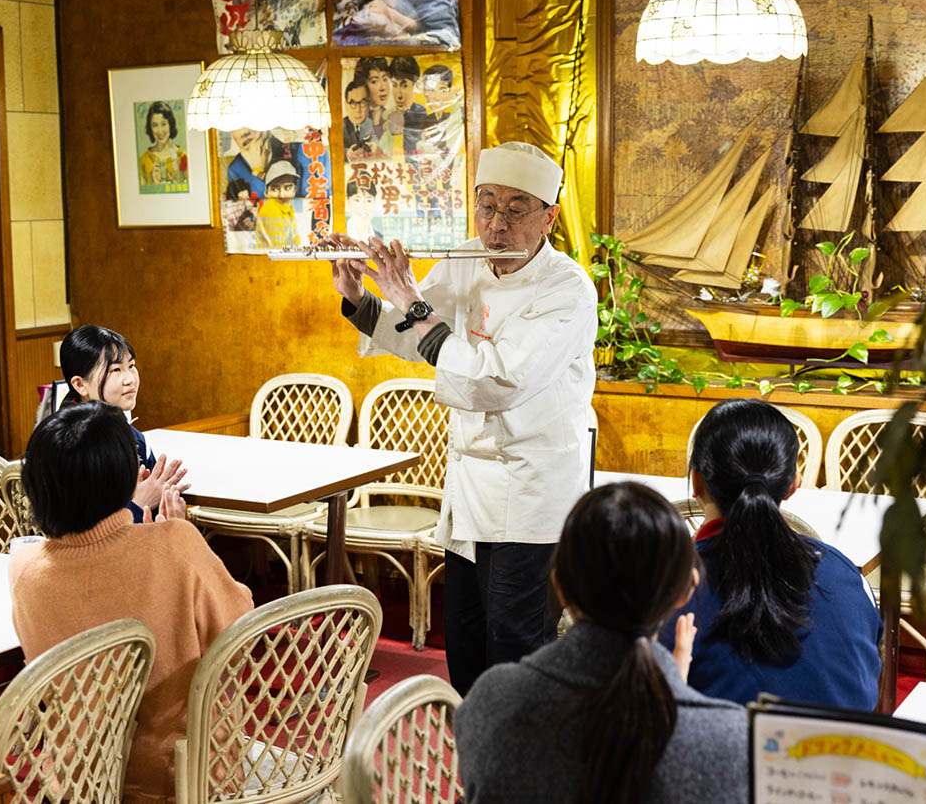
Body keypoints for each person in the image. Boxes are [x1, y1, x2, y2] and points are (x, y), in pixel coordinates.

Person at [329, 141, 596, 695]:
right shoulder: (466, 259)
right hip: (470, 487)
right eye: (486, 205)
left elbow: (496, 380)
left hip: (532, 491)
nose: (497, 224)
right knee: (468, 636)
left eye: (516, 209)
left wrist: (412, 301)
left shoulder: (567, 290)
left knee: (518, 640)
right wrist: (358, 296)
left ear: (548, 217)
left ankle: (529, 766)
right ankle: (478, 756)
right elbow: (415, 335)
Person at [10, 401, 253, 804]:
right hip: (186, 778)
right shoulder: (175, 544)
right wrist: (180, 540)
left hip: (80, 780)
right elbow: (239, 632)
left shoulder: (23, 569)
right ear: (124, 478)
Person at [455, 483, 748, 804]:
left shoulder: (491, 702)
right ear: (686, 591)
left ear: (559, 586)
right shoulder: (730, 741)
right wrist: (675, 687)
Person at [658, 398, 883, 710]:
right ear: (793, 483)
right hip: (844, 753)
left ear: (696, 481)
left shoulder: (665, 584)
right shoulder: (844, 575)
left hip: (717, 755)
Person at [59, 325, 188, 523]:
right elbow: (79, 530)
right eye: (116, 370)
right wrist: (138, 504)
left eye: (131, 366)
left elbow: (154, 513)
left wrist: (170, 514)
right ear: (79, 384)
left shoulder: (136, 439)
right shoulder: (65, 444)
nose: (130, 379)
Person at [138, 101, 187, 187]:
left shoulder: (183, 157)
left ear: (170, 125)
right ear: (150, 128)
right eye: (155, 125)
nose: (160, 131)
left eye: (163, 124)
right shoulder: (143, 161)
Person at [386, 55, 425, 157]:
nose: (398, 95)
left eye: (404, 86)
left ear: (415, 85)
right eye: (394, 85)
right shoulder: (387, 115)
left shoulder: (420, 113)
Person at [256, 160, 301, 249]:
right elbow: (278, 250)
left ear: (294, 191)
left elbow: (295, 240)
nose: (281, 195)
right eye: (275, 189)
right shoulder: (271, 209)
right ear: (266, 192)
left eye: (287, 188)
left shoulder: (287, 208)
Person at [342, 79, 379, 162]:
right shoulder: (341, 126)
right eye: (353, 103)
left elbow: (373, 137)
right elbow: (333, 148)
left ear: (368, 104)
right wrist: (348, 153)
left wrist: (374, 145)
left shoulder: (368, 122)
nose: (358, 110)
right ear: (346, 105)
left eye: (362, 102)